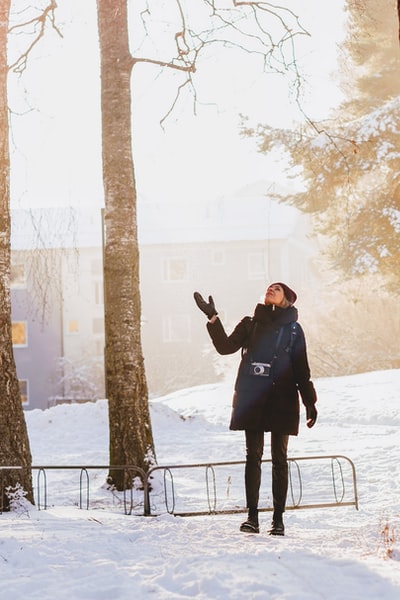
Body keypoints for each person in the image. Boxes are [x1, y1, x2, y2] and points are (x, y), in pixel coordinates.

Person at [194, 282, 317, 536]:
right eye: (269, 287)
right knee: (253, 456)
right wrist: (213, 318)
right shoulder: (250, 323)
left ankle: (278, 520)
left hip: (282, 398)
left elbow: (302, 370)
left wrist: (310, 403)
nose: (271, 289)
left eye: (277, 289)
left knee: (280, 459)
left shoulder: (294, 330)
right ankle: (252, 518)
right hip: (253, 397)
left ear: (287, 299)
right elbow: (225, 347)